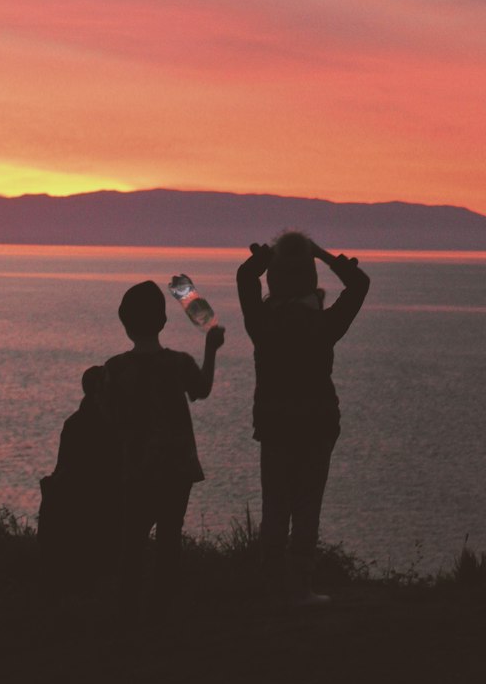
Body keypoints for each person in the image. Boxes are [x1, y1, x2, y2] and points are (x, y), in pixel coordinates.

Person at [236, 231, 370, 604]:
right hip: (316, 425)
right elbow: (360, 284)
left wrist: (263, 259)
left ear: (275, 278)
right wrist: (324, 255)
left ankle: (271, 586)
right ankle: (299, 588)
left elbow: (245, 279)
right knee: (307, 507)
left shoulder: (263, 325)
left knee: (275, 507)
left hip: (276, 426)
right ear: (310, 278)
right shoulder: (322, 325)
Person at [103, 279, 225, 614]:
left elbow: (109, 420)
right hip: (176, 467)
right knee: (170, 537)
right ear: (163, 322)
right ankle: (163, 607)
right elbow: (201, 390)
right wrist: (211, 349)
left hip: (136, 467)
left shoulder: (115, 369)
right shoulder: (178, 363)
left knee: (132, 540)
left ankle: (127, 607)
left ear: (125, 323)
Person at [38, 364, 119, 588]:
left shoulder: (74, 423)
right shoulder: (109, 424)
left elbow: (63, 465)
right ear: (100, 390)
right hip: (94, 501)